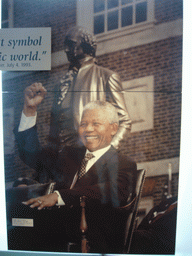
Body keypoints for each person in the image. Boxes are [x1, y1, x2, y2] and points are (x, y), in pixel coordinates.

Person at [12, 83, 137, 253]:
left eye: (96, 123)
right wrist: (30, 109)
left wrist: (58, 196)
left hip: (90, 243)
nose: (88, 130)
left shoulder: (124, 164)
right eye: (83, 124)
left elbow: (111, 192)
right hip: (52, 235)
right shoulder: (69, 154)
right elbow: (32, 156)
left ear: (113, 128)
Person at [49, 26, 131, 150]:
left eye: (71, 44)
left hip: (91, 157)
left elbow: (123, 121)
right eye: (65, 45)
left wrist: (107, 152)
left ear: (86, 45)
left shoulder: (106, 77)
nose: (66, 49)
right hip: (63, 160)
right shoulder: (61, 84)